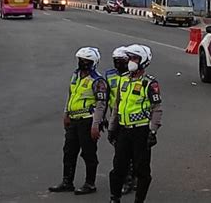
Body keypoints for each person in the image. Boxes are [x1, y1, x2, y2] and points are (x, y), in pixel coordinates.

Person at [49, 47, 108, 195]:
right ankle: (67, 181)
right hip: (73, 120)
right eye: (80, 60)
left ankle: (90, 183)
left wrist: (96, 125)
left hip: (87, 120)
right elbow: (71, 95)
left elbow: (101, 104)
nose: (82, 63)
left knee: (88, 153)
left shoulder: (97, 81)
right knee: (69, 152)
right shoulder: (76, 76)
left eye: (86, 61)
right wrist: (66, 113)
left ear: (93, 62)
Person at [108, 44, 163, 203]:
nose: (131, 61)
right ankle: (114, 198)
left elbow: (157, 109)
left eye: (134, 58)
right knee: (118, 168)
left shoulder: (149, 83)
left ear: (143, 61)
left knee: (142, 171)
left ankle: (139, 200)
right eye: (130, 58)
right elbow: (117, 106)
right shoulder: (123, 80)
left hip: (141, 131)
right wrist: (112, 128)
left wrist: (152, 132)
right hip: (123, 131)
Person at [105, 47, 137, 195]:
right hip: (115, 118)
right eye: (116, 61)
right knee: (120, 153)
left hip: (132, 120)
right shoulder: (109, 75)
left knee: (133, 153)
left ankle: (132, 178)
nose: (118, 64)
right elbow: (105, 98)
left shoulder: (134, 75)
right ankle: (126, 179)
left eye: (121, 61)